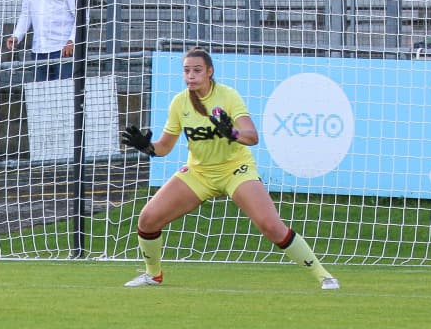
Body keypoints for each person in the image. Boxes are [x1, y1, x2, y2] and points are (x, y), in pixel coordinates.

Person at [120, 47, 339, 290]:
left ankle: (324, 275)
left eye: (197, 70)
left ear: (210, 72)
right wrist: (147, 147)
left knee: (271, 226)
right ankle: (154, 275)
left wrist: (232, 133)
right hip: (199, 173)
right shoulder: (179, 102)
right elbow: (164, 147)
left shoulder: (228, 96)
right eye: (186, 71)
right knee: (148, 219)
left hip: (236, 170)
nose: (191, 76)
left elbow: (252, 136)